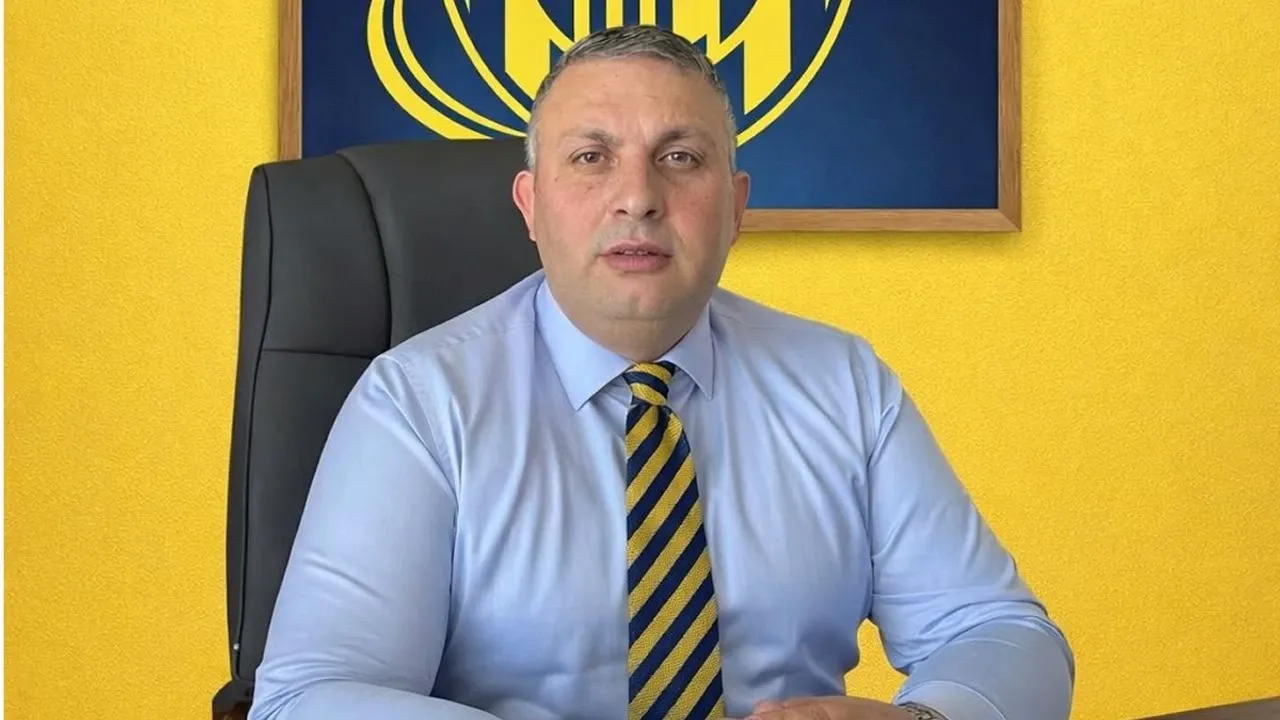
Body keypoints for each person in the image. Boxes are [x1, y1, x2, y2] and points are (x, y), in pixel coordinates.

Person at [248, 24, 1074, 720]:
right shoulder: (420, 402)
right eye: (591, 157)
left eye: (679, 157)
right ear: (530, 206)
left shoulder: (842, 384)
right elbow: (308, 696)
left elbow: (1002, 632)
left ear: (736, 207)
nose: (637, 197)